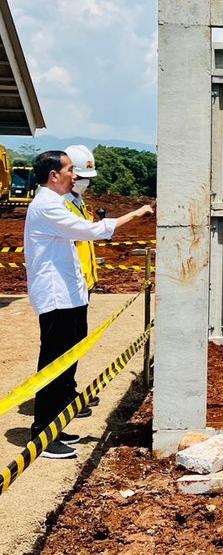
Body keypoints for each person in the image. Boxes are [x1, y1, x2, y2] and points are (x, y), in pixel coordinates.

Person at [24, 150, 154, 460]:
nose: (74, 175)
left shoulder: (58, 204)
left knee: (66, 364)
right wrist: (135, 215)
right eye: (69, 170)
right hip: (56, 298)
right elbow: (92, 232)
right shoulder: (46, 207)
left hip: (69, 296)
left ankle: (56, 426)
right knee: (54, 366)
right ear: (54, 175)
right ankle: (42, 433)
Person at [63, 144, 101, 410]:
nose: (85, 183)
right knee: (64, 346)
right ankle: (62, 397)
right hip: (68, 287)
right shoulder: (61, 205)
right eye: (82, 178)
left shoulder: (78, 202)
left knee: (76, 342)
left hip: (82, 283)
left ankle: (69, 390)